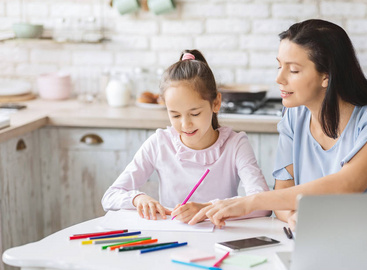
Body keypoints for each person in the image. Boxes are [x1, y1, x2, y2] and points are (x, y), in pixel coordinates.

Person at [189, 19, 367, 229]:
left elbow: (348, 184)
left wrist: (251, 201)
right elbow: (283, 197)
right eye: (279, 66)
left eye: (293, 70)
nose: (279, 78)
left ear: (326, 76)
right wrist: (295, 217)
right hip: (331, 239)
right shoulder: (294, 116)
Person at [102, 49, 270, 223]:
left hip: (219, 240)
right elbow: (110, 196)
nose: (185, 124)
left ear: (216, 103)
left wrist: (206, 209)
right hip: (172, 239)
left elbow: (263, 204)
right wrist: (137, 199)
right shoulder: (160, 143)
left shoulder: (235, 144)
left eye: (195, 114)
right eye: (175, 115)